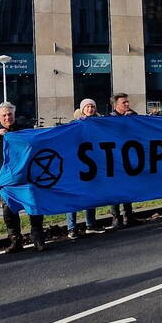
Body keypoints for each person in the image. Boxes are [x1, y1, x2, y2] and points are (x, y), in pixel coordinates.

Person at [0, 102, 46, 253]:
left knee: (34, 207)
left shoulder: (25, 131)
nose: (7, 117)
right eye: (4, 115)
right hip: (6, 183)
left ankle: (37, 237)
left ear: (14, 115)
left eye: (9, 114)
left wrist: (13, 136)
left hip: (26, 178)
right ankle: (15, 240)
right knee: (9, 211)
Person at [65, 98, 102, 238]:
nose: (90, 109)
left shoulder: (100, 123)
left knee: (91, 195)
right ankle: (71, 227)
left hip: (93, 165)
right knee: (73, 196)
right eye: (87, 106)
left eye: (92, 106)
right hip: (76, 165)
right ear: (82, 109)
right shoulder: (74, 124)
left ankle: (90, 224)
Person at [107, 93, 140, 228]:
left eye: (127, 102)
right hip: (114, 159)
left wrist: (132, 119)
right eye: (124, 103)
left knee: (128, 186)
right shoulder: (109, 118)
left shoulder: (132, 115)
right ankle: (116, 218)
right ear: (116, 105)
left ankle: (128, 215)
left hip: (129, 157)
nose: (127, 104)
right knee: (115, 188)